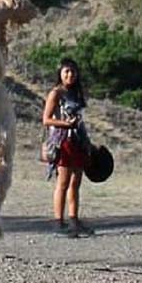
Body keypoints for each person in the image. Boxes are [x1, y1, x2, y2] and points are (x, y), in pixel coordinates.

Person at [42, 58, 93, 238]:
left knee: (75, 182)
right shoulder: (56, 93)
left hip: (77, 140)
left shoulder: (76, 94)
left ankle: (74, 220)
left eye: (73, 72)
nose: (70, 75)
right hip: (62, 141)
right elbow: (46, 119)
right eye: (66, 72)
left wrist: (88, 142)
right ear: (60, 74)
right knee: (62, 182)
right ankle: (59, 222)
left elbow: (80, 119)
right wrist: (65, 124)